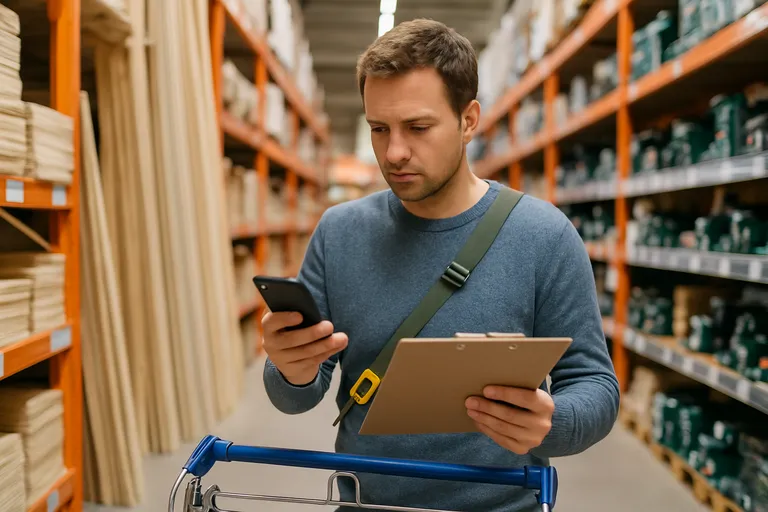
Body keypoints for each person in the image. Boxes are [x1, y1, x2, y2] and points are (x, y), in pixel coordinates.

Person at [261, 18, 620, 512]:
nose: (394, 153)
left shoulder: (543, 236)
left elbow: (596, 386)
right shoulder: (339, 233)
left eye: (418, 127)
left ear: (469, 120)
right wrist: (291, 370)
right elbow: (298, 395)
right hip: (368, 504)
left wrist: (551, 421)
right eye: (379, 129)